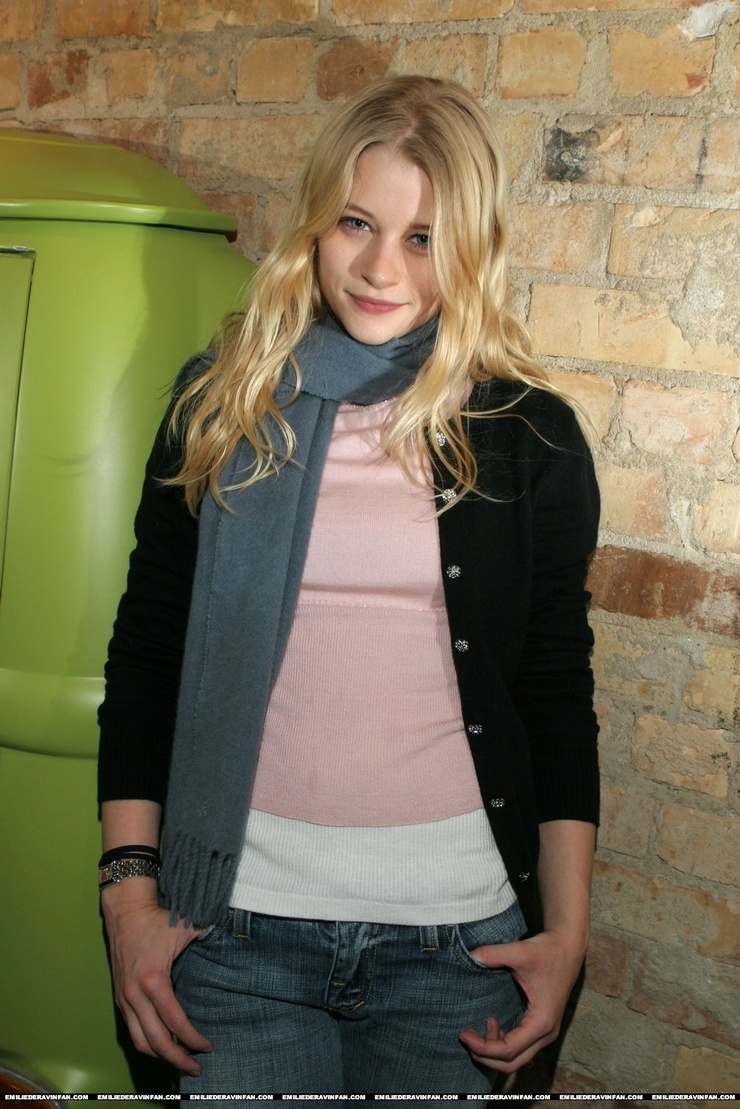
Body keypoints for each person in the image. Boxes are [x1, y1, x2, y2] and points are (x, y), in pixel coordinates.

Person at [97, 74, 600, 1098]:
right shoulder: (220, 406)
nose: (379, 268)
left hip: (458, 950)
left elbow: (553, 693)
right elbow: (147, 656)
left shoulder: (526, 437)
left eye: (423, 238)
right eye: (356, 223)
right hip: (230, 933)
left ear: (470, 249)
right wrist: (127, 895)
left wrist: (567, 933)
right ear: (315, 221)